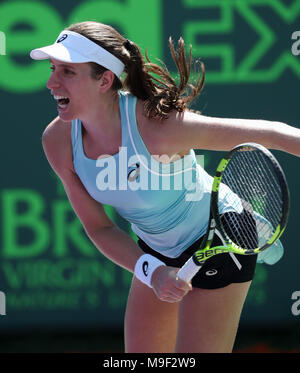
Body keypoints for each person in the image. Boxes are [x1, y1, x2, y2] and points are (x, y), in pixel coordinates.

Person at [30, 21, 300, 353]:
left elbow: (271, 133)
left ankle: (251, 226)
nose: (50, 82)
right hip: (157, 246)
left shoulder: (158, 127)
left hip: (220, 231)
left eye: (67, 72)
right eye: (53, 68)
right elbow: (99, 228)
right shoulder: (57, 141)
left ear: (104, 79)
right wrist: (153, 271)